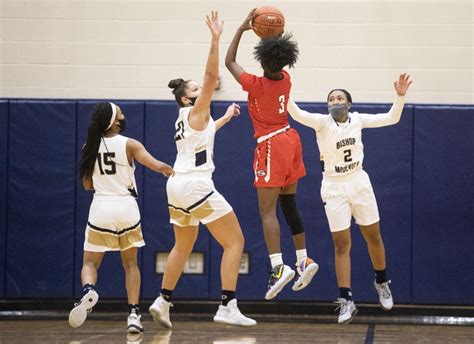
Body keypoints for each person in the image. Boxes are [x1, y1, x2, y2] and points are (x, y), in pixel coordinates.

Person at [148, 11, 256, 328]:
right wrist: (215, 38)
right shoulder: (196, 109)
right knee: (235, 242)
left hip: (176, 187)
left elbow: (204, 135)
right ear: (187, 97)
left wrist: (225, 118)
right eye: (196, 88)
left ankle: (162, 300)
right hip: (196, 185)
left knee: (183, 245)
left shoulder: (188, 119)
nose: (203, 87)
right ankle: (227, 304)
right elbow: (210, 77)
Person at [287, 73, 413, 323]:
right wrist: (284, 90)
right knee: (341, 244)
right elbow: (296, 112)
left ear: (348, 103)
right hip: (333, 187)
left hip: (358, 182)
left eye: (340, 97)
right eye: (331, 98)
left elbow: (392, 118)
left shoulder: (358, 120)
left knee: (373, 236)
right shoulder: (321, 122)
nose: (335, 101)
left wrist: (399, 96)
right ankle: (346, 299)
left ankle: (381, 281)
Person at [225, 9, 319, 300]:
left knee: (268, 211)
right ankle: (303, 259)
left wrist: (242, 29)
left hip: (270, 144)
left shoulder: (255, 85)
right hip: (291, 140)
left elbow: (229, 61)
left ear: (263, 60)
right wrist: (273, 34)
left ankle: (278, 267)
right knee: (289, 204)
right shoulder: (286, 79)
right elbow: (275, 56)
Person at [69, 102, 174, 333]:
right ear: (114, 121)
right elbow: (156, 165)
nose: (123, 116)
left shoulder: (89, 146)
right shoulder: (130, 144)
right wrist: (171, 171)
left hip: (100, 207)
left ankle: (88, 291)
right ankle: (134, 315)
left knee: (90, 263)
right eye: (120, 113)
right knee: (130, 265)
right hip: (126, 208)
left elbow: (87, 185)